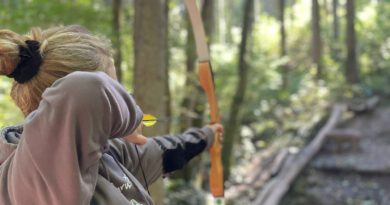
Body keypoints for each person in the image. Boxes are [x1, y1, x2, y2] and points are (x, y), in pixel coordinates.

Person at [0, 25, 223, 205]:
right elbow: (86, 89)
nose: (123, 96)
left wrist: (208, 136)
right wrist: (131, 119)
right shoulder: (35, 176)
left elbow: (166, 151)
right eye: (116, 88)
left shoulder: (105, 154)